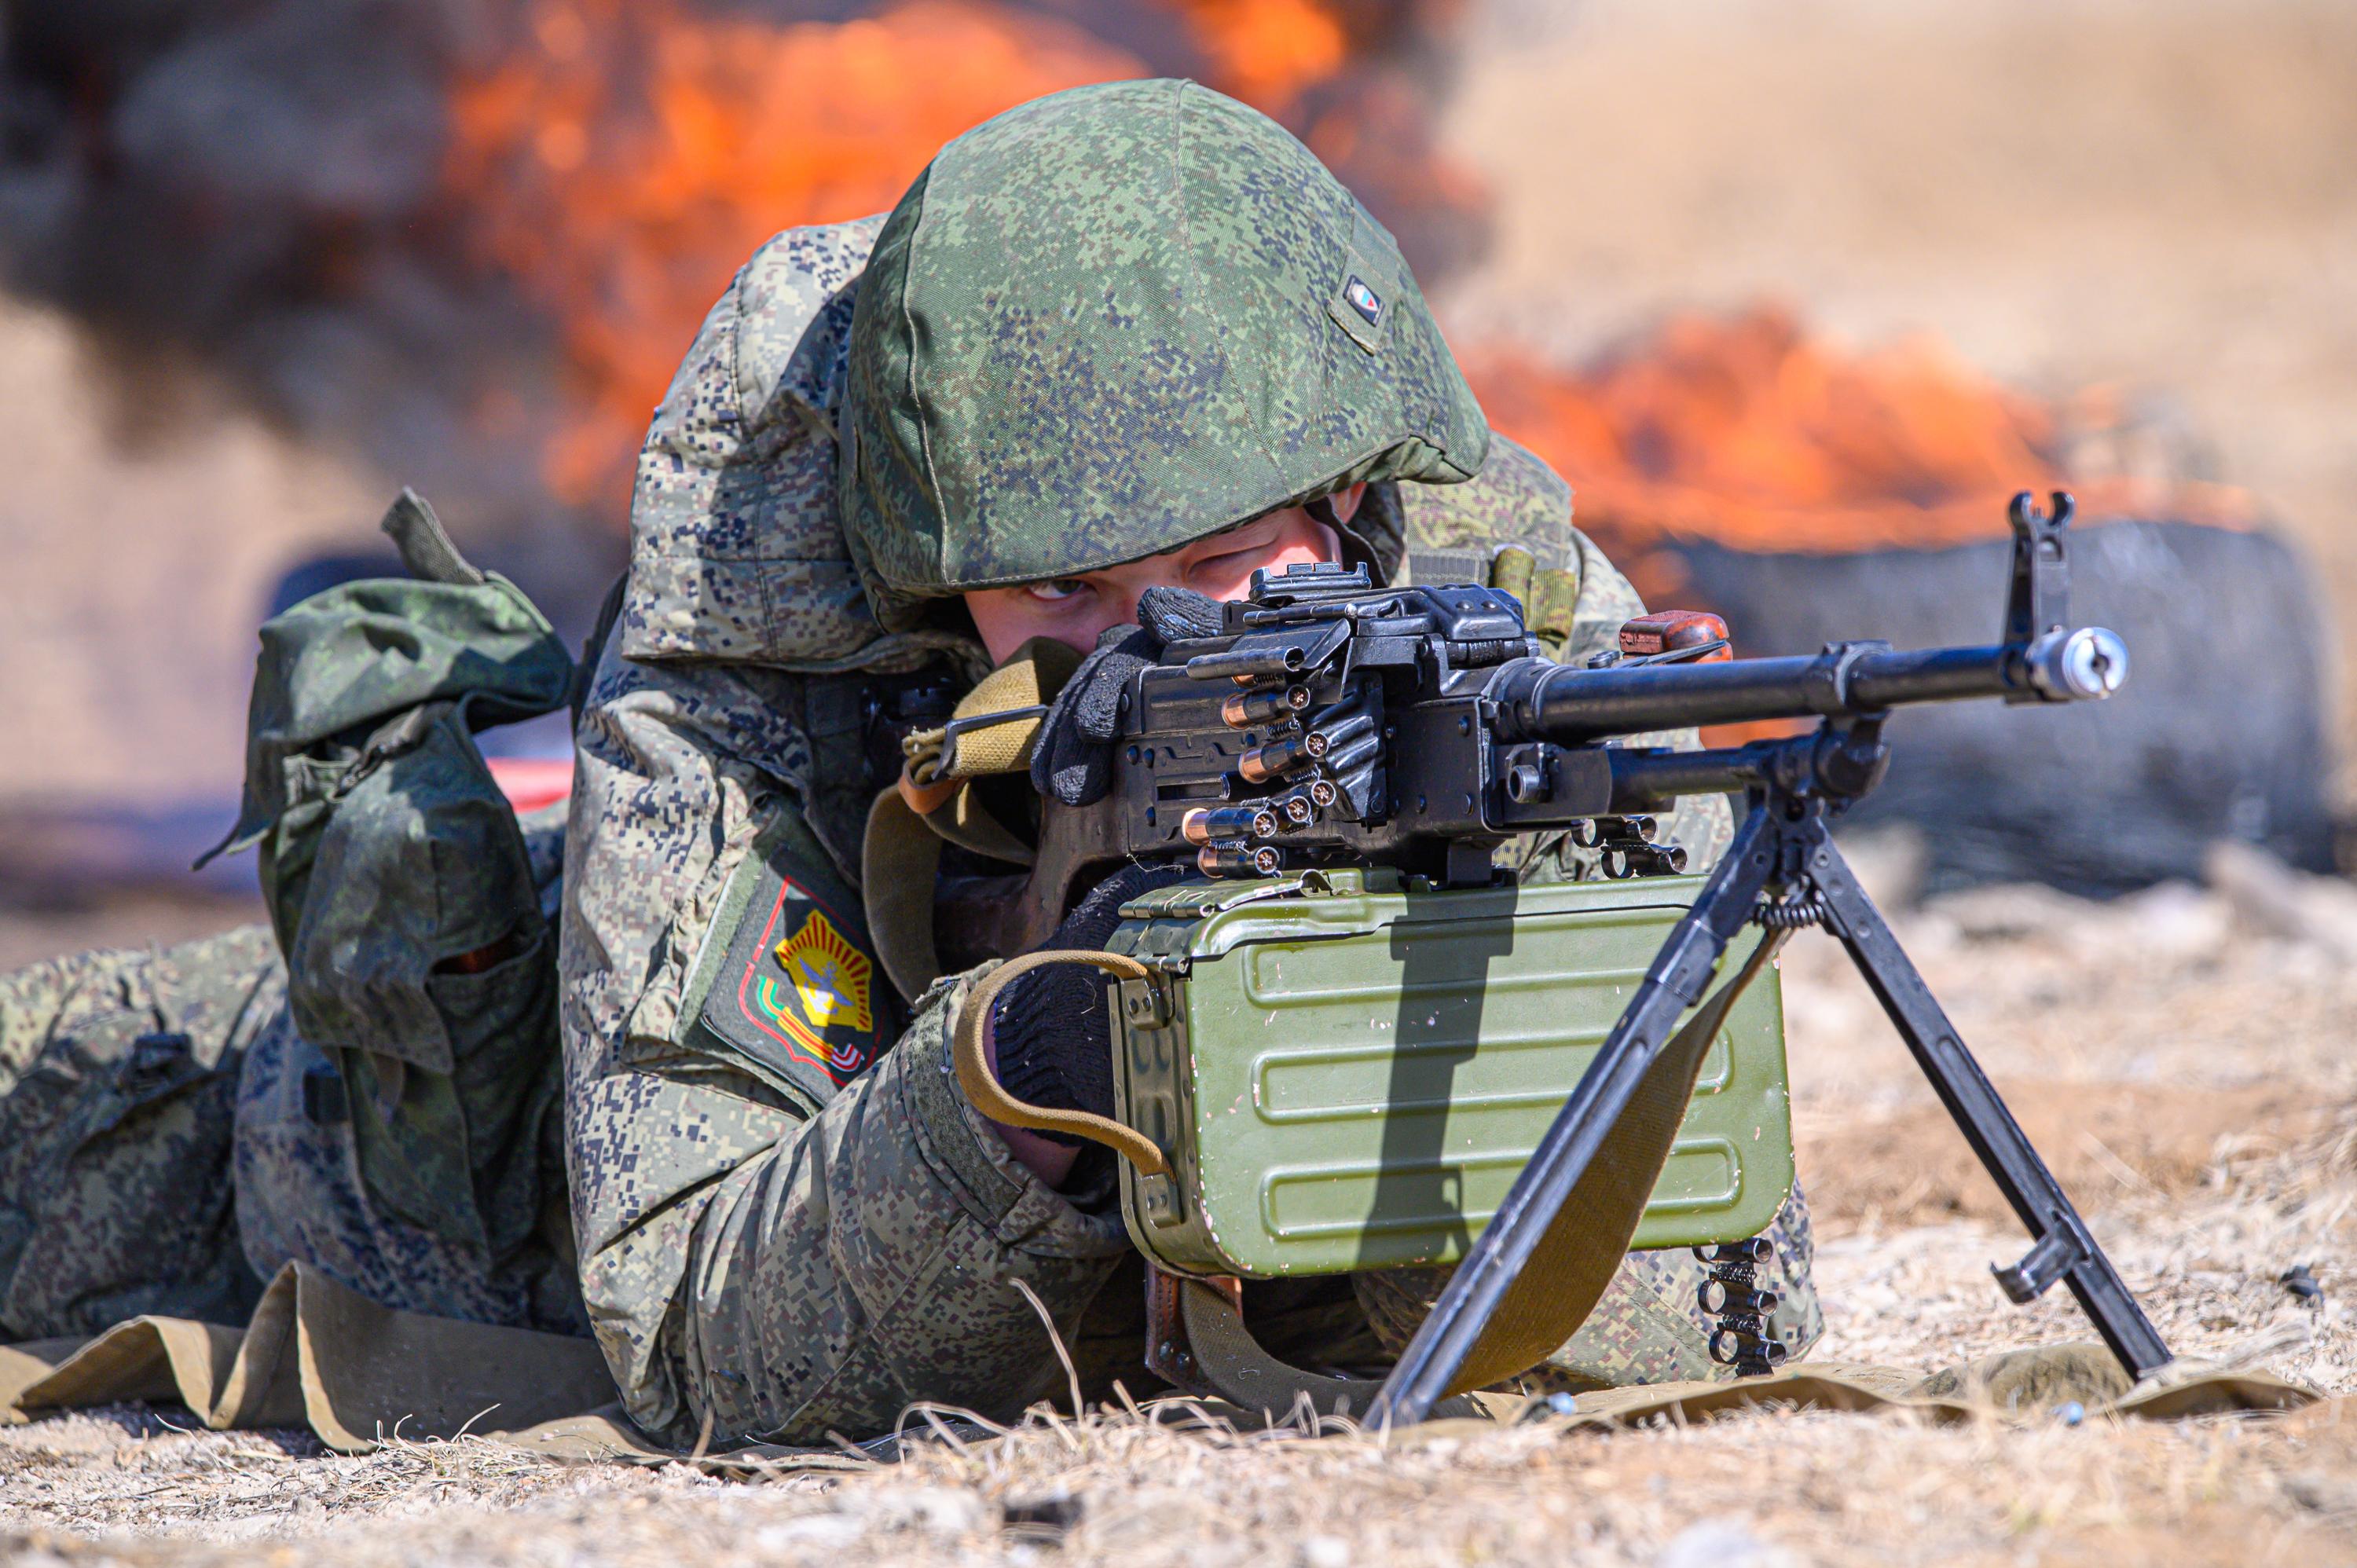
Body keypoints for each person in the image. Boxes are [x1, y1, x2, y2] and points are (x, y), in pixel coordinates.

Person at [0, 79, 1818, 1448]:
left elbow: (1713, 1306)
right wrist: (1014, 1071)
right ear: (943, 587)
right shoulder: (761, 665)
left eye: (1206, 571)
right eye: (1062, 594)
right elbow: (692, 1327)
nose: (1142, 637)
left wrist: (1552, 886)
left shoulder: (1482, 605)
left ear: (1346, 505)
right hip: (373, 1148)